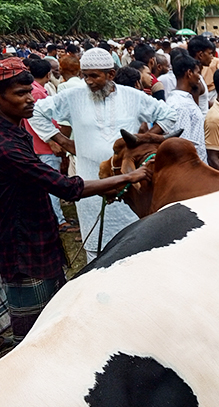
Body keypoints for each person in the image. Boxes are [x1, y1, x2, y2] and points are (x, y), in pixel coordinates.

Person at [0, 58, 153, 347]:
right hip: (23, 248)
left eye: (29, 91)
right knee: (33, 335)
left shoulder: (16, 131)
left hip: (40, 237)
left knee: (53, 316)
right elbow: (66, 187)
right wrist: (126, 178)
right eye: (20, 94)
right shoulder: (6, 146)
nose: (30, 99)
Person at [28, 48, 177, 262]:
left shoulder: (132, 97)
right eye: (85, 75)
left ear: (111, 75)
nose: (88, 81)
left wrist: (141, 143)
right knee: (96, 249)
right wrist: (62, 141)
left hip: (127, 185)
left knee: (131, 246)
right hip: (90, 181)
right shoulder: (73, 96)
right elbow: (37, 112)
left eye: (94, 75)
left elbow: (168, 115)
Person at [21, 59, 73, 233]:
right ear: (48, 74)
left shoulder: (35, 90)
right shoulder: (36, 93)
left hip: (39, 145)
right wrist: (54, 140)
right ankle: (58, 221)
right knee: (51, 184)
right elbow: (36, 120)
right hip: (44, 146)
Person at [167, 56, 208, 163]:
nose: (199, 77)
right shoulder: (180, 105)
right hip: (193, 170)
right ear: (189, 73)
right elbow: (182, 145)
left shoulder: (185, 100)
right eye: (197, 72)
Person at [188, 36, 216, 116]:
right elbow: (194, 111)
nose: (212, 57)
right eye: (210, 53)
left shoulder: (198, 75)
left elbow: (203, 102)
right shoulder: (195, 80)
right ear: (200, 55)